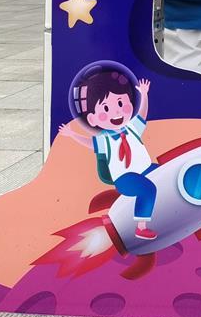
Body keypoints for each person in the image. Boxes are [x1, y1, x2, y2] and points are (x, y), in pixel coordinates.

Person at [59, 67, 158, 240]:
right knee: (147, 189)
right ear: (92, 119)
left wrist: (144, 95)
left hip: (146, 169)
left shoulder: (132, 128)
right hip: (125, 178)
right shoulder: (104, 138)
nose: (117, 112)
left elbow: (142, 115)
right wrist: (73, 135)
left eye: (120, 104)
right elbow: (90, 143)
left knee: (167, 173)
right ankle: (141, 227)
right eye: (105, 109)